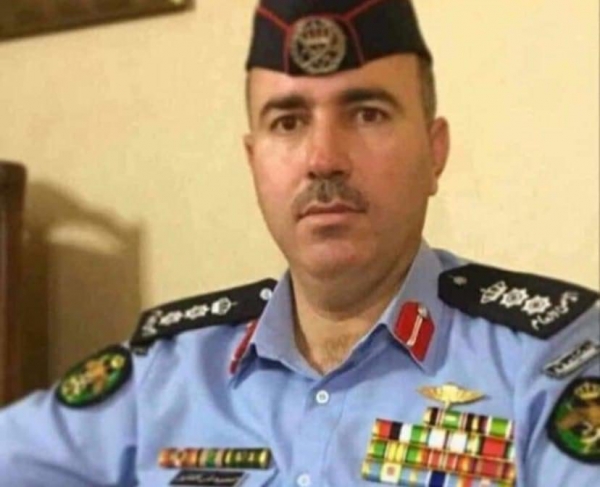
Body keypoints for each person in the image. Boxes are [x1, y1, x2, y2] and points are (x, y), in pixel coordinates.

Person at [1, 0, 598, 485]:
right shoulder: (168, 370)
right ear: (253, 161)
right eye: (288, 121)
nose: (323, 158)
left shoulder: (549, 358)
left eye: (367, 113)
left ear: (434, 152)